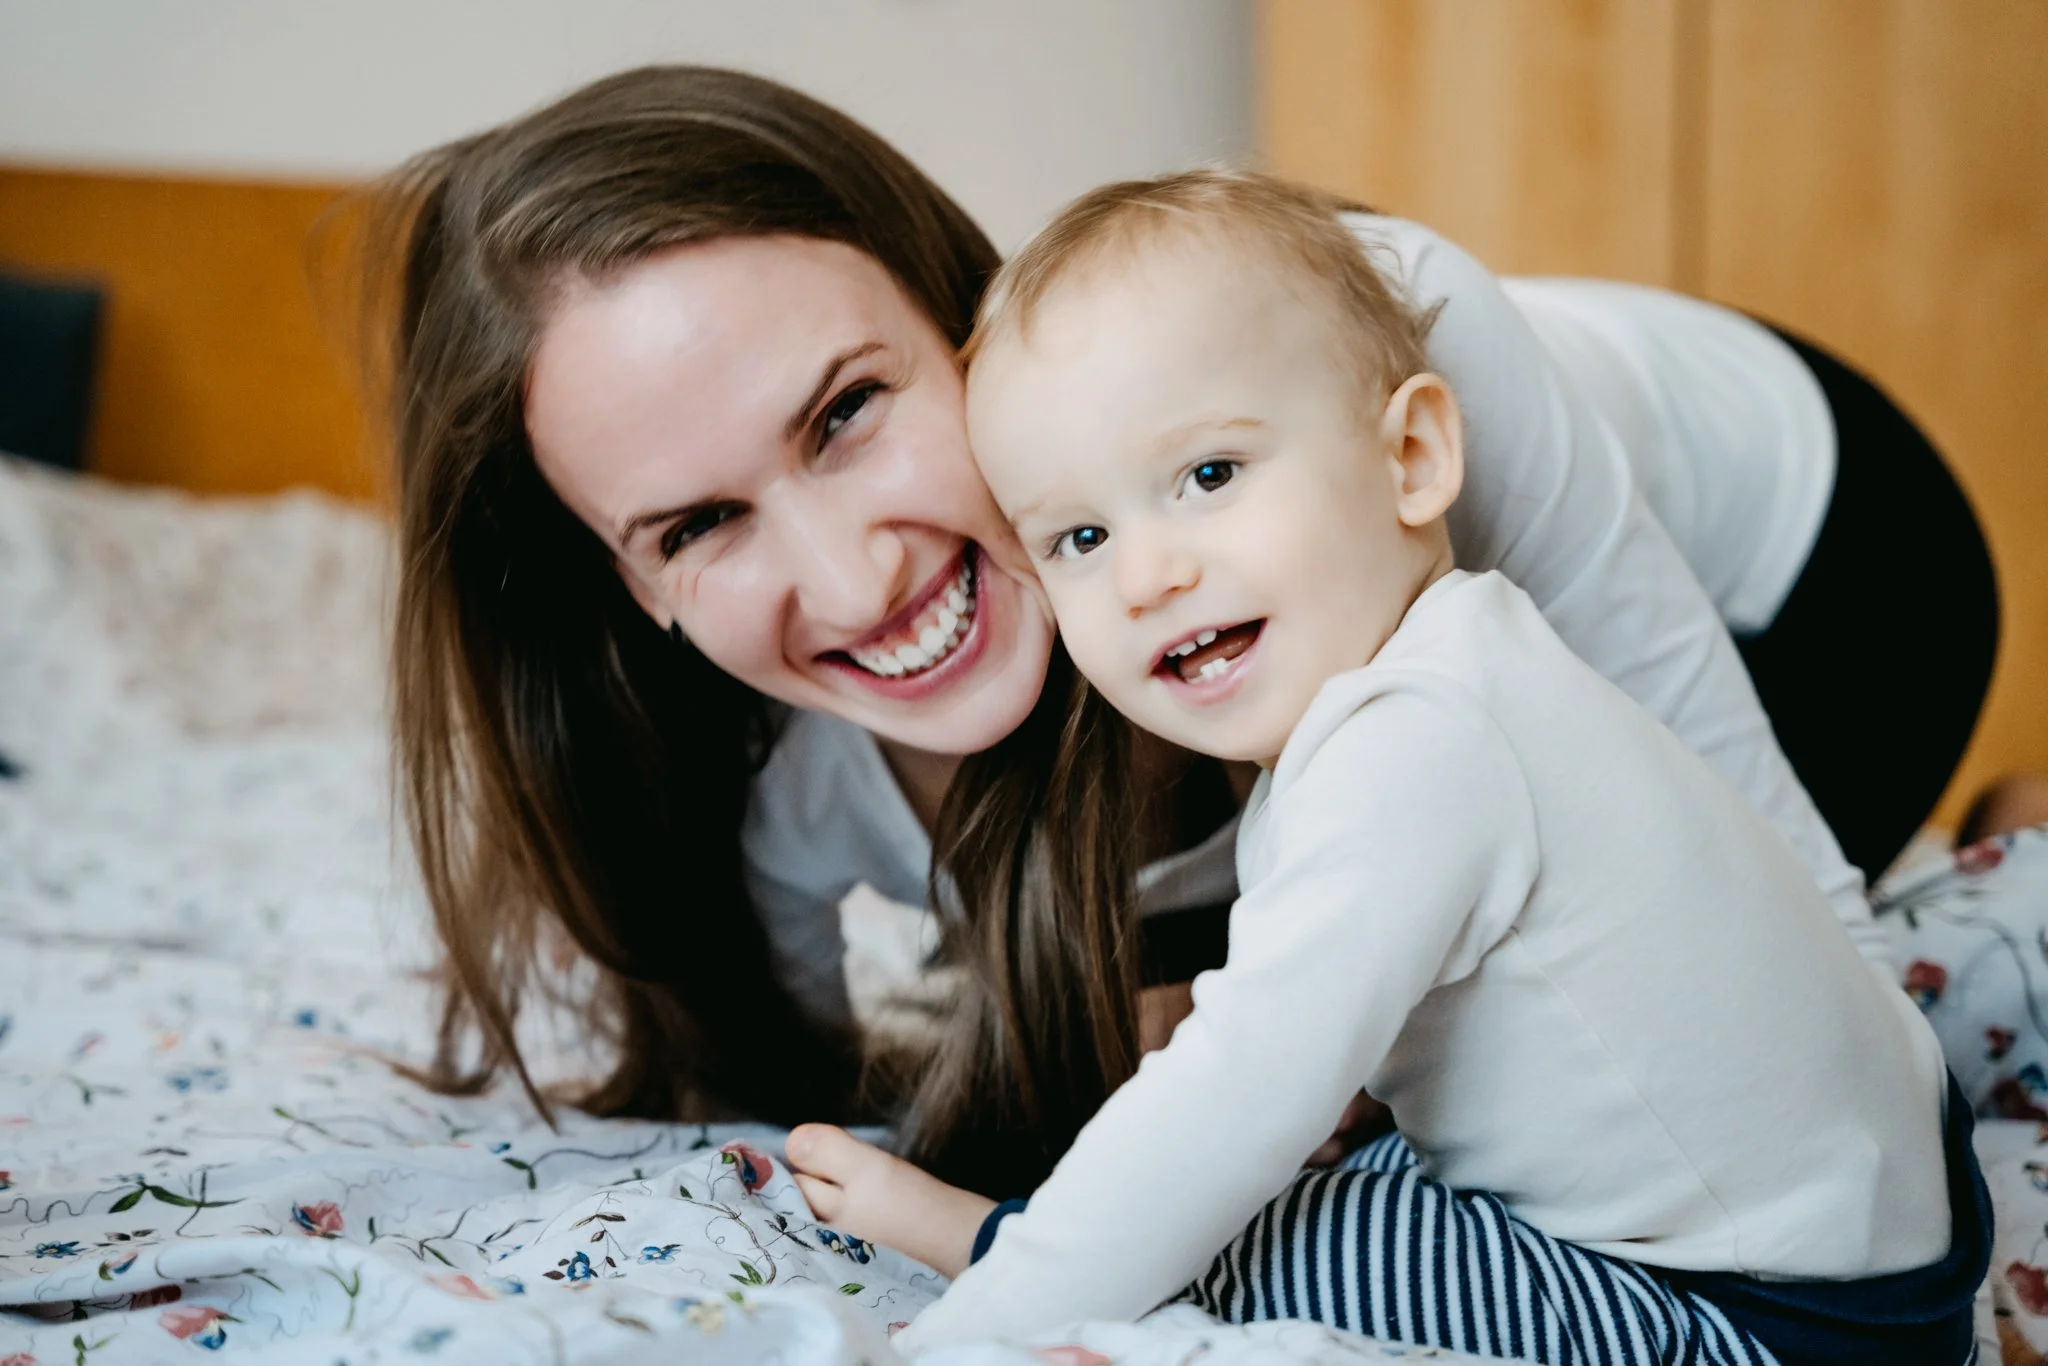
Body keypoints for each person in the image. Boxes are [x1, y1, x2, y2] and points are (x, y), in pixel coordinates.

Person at [367, 65, 1994, 1189]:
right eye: (697, 525)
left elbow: (1765, 860)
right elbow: (794, 1077)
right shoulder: (791, 795)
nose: (854, 584)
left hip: (1817, 567)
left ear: (951, 310)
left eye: (850, 410)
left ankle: (2011, 841)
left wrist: (1915, 1182)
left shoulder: (1409, 328)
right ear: (628, 592)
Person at [783, 170, 1990, 1365]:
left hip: (1765, 1315)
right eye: (1081, 538)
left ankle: (997, 1246)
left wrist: (980, 1319)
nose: (1147, 575)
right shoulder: (1467, 664)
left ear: (1411, 455)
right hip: (1882, 1213)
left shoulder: (1413, 749)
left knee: (1300, 1220)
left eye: (1208, 476)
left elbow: (1230, 1106)